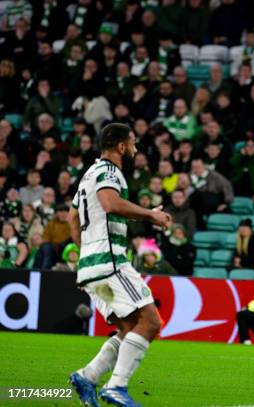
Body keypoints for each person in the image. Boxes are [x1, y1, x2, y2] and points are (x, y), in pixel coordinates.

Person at [67, 123, 172, 407]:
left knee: (130, 327)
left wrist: (87, 250)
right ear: (122, 147)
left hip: (91, 268)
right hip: (110, 264)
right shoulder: (109, 171)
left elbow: (72, 218)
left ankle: (87, 376)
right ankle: (116, 386)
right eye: (133, 142)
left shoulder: (88, 174)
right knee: (150, 322)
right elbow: (111, 203)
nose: (136, 148)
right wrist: (150, 215)